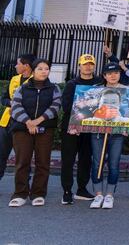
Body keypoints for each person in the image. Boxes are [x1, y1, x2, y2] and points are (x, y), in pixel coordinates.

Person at [7, 58, 61, 207]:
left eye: (46, 69)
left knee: (43, 162)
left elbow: (55, 107)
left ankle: (38, 193)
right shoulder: (23, 88)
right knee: (22, 162)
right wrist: (28, 122)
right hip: (22, 130)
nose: (44, 71)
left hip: (45, 129)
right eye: (40, 69)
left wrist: (37, 121)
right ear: (33, 70)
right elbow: (15, 107)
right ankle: (20, 193)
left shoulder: (54, 88)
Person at [59, 54, 102, 205]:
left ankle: (82, 189)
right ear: (79, 66)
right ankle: (66, 191)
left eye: (91, 64)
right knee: (68, 159)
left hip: (90, 127)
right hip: (71, 127)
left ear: (94, 66)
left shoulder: (99, 83)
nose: (88, 67)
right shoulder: (72, 84)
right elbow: (65, 106)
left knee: (86, 159)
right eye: (85, 64)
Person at [88, 64, 129, 209]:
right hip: (98, 132)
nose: (113, 76)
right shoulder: (96, 90)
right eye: (109, 73)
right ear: (104, 76)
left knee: (114, 163)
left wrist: (126, 128)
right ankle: (98, 194)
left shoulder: (127, 90)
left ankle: (110, 195)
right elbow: (87, 110)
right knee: (97, 163)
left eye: (116, 72)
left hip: (117, 133)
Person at [0, 54, 34, 184]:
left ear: (26, 66)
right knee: (1, 154)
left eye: (18, 63)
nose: (15, 66)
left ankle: (23, 185)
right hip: (6, 122)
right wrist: (11, 103)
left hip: (23, 123)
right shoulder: (14, 79)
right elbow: (4, 99)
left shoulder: (35, 81)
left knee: (22, 157)